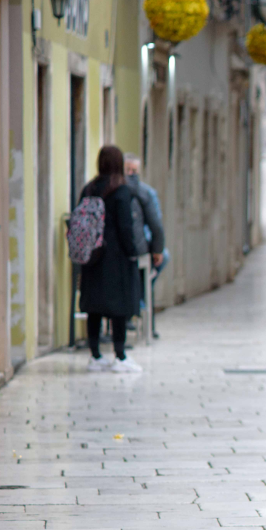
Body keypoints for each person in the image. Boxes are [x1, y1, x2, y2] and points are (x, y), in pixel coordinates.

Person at [79, 146, 143, 373]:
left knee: (93, 308)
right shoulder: (121, 191)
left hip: (92, 257)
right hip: (115, 259)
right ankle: (120, 356)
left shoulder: (89, 188)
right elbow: (126, 226)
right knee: (119, 308)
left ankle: (95, 355)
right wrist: (132, 252)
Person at [124, 154, 167, 338]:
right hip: (134, 251)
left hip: (140, 248)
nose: (131, 175)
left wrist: (156, 250)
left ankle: (139, 299)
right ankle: (139, 301)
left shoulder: (146, 193)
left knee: (161, 259)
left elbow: (155, 225)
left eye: (135, 171)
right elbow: (156, 225)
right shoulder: (141, 192)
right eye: (128, 170)